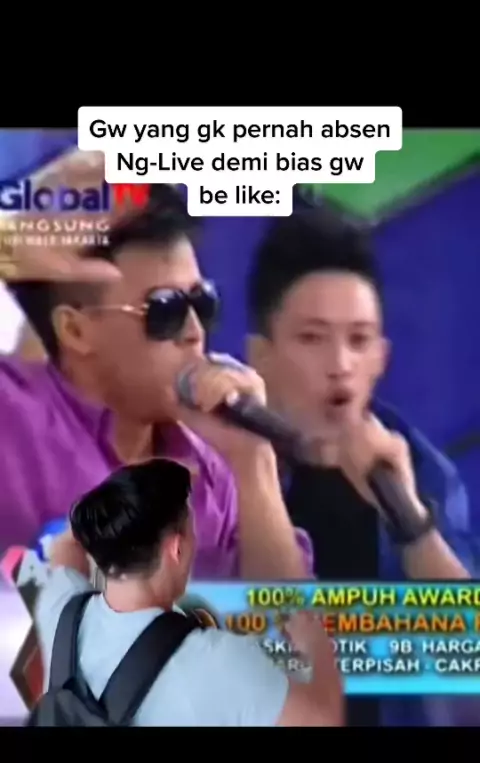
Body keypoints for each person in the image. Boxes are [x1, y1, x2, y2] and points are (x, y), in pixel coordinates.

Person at [0, 154, 310, 583]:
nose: (194, 332)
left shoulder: (216, 464)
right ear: (75, 330)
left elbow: (289, 619)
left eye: (202, 303)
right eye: (165, 310)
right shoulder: (12, 419)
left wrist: (255, 462)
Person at [246, 205, 476, 727]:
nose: (340, 365)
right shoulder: (215, 471)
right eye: (312, 338)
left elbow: (470, 668)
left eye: (359, 340)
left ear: (381, 358)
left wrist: (413, 526)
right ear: (261, 355)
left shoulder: (422, 472)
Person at [35, 458, 343, 727]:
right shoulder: (221, 662)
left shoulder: (61, 613)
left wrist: (124, 494)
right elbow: (323, 721)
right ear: (176, 548)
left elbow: (67, 546)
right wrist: (315, 645)